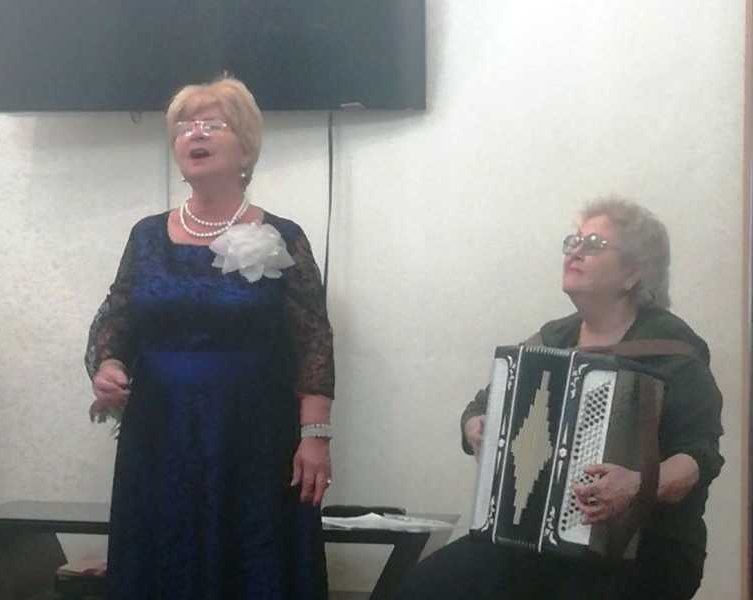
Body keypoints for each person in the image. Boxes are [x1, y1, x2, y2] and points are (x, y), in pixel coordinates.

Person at [396, 197, 723, 600]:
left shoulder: (672, 348)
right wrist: (476, 425)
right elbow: (484, 403)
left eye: (594, 244)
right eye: (572, 241)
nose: (575, 251)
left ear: (632, 274)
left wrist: (637, 486)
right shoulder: (553, 338)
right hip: (540, 544)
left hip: (645, 550)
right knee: (424, 586)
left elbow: (699, 458)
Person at [85, 75, 334, 600]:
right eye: (183, 127)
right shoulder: (146, 235)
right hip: (160, 434)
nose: (194, 134)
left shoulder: (283, 236)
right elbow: (118, 318)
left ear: (246, 145)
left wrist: (315, 437)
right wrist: (108, 365)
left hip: (254, 438)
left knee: (254, 564)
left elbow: (313, 342)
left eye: (211, 124)